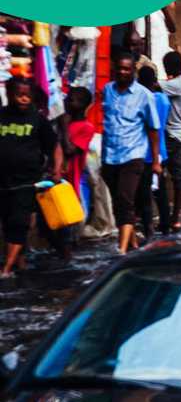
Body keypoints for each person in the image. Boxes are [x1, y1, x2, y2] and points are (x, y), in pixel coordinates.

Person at [0, 78, 63, 277]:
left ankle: (6, 270)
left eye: (27, 95)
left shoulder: (37, 119)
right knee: (8, 222)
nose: (24, 99)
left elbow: (55, 146)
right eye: (19, 95)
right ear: (9, 95)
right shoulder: (1, 116)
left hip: (27, 181)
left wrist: (57, 169)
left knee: (19, 222)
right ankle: (21, 264)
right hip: (3, 182)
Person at [102, 54, 160, 255]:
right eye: (119, 68)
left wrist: (155, 160)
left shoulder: (144, 95)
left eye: (126, 69)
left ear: (132, 71)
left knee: (125, 199)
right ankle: (133, 244)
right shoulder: (107, 90)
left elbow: (153, 128)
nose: (122, 72)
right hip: (110, 155)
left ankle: (122, 248)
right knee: (118, 202)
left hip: (133, 154)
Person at [160, 51, 181, 232]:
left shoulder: (176, 85)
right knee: (178, 176)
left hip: (171, 135)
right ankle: (175, 218)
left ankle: (170, 218)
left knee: (161, 174)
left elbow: (153, 86)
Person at [137, 66, 171, 239]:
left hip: (145, 153)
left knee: (145, 193)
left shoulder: (142, 100)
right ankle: (166, 225)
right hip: (161, 152)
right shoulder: (164, 100)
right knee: (161, 192)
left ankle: (148, 227)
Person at [59, 87, 96, 215]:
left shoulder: (86, 128)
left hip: (74, 181)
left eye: (70, 100)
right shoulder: (64, 122)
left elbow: (70, 150)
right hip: (59, 178)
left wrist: (64, 128)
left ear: (81, 104)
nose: (65, 102)